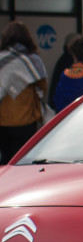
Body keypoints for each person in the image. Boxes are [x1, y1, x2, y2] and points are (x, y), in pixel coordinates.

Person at [0, 21, 50, 163]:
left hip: (2, 120)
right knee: (23, 161)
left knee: (5, 160)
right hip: (26, 119)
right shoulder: (32, 60)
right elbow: (43, 86)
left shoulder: (1, 59)